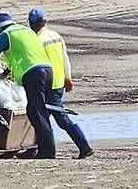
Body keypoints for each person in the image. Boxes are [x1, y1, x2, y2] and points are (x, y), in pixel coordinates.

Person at [0, 11, 56, 159]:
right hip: (48, 71)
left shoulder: (5, 36)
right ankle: (37, 148)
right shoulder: (26, 31)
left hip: (34, 74)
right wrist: (5, 73)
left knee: (38, 112)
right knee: (35, 111)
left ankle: (48, 152)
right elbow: (23, 54)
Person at [28, 8, 94, 159]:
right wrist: (68, 77)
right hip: (58, 82)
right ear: (44, 22)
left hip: (47, 83)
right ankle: (34, 147)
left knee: (60, 118)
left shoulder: (37, 41)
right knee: (39, 116)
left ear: (32, 24)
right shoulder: (56, 36)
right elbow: (65, 58)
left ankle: (84, 146)